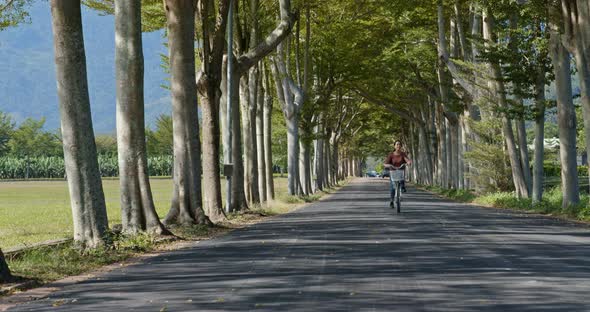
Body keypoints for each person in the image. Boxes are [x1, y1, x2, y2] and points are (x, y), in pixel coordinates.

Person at [384, 141, 412, 205]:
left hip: (400, 171)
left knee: (402, 180)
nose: (398, 146)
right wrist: (389, 165)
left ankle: (402, 187)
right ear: (394, 146)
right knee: (393, 187)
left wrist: (408, 162)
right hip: (392, 172)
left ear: (401, 146)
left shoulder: (403, 154)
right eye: (397, 144)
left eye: (399, 144)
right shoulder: (391, 154)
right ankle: (392, 200)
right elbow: (385, 164)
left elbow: (407, 160)